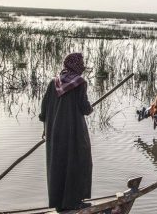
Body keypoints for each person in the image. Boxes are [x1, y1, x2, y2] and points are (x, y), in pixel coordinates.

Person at [39, 53, 93, 210]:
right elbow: (84, 108)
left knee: (58, 164)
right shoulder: (79, 83)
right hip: (73, 132)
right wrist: (90, 108)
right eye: (81, 63)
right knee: (78, 162)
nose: (82, 66)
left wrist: (45, 129)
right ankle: (74, 202)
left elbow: (44, 109)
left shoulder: (53, 82)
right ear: (75, 65)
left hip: (54, 133)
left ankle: (60, 204)